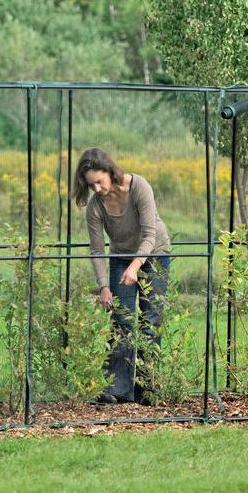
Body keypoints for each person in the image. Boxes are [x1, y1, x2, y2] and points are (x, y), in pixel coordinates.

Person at [71, 147, 171, 405]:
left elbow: (149, 235)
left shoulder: (139, 187)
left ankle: (148, 390)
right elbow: (96, 249)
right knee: (121, 321)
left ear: (110, 171)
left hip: (154, 254)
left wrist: (136, 266)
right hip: (120, 257)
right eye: (90, 184)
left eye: (99, 182)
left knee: (151, 319)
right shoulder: (95, 206)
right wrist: (104, 287)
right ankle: (118, 390)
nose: (96, 188)